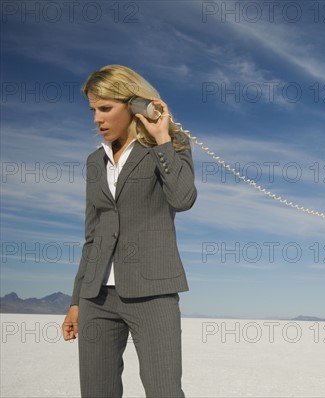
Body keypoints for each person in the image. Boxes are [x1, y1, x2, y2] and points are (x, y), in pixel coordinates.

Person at [62, 64, 197, 397]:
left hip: (153, 293)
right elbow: (93, 235)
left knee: (164, 390)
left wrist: (162, 137)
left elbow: (182, 199)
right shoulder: (95, 161)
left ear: (134, 104)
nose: (97, 118)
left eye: (106, 108)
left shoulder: (170, 147)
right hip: (97, 297)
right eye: (93, 110)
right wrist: (77, 300)